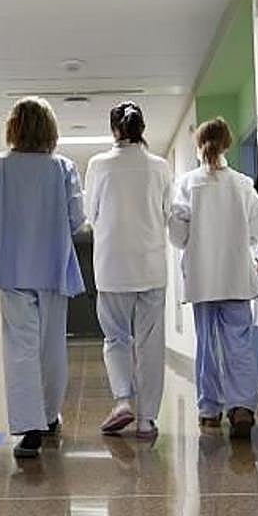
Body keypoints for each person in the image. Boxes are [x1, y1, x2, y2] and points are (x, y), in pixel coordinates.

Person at [0, 97, 86, 459]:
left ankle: (30, 426)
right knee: (52, 345)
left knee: (19, 349)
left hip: (12, 266)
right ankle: (50, 415)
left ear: (13, 128)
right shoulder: (64, 168)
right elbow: (76, 218)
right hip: (53, 266)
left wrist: (11, 222)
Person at [169, 117, 258, 438]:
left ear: (199, 146)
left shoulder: (186, 183)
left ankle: (209, 409)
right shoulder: (243, 184)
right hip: (238, 276)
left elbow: (178, 236)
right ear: (227, 145)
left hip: (203, 278)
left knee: (207, 344)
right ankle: (242, 408)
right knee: (240, 343)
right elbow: (256, 233)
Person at [83, 102, 173, 440]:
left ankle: (123, 401)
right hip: (150, 267)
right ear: (142, 129)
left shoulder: (98, 165)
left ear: (113, 129)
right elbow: (168, 212)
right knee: (150, 345)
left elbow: (90, 214)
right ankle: (147, 419)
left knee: (116, 338)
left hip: (112, 267)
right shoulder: (160, 167)